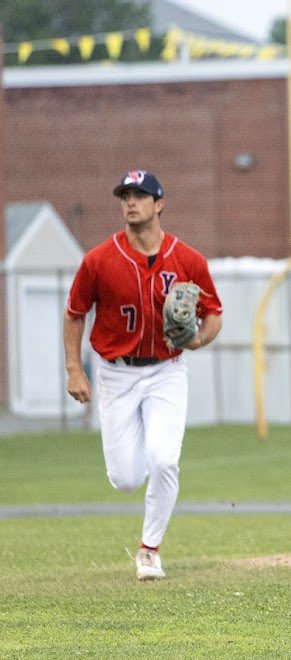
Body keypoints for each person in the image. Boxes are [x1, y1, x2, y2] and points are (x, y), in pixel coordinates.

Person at [64, 170, 223, 581]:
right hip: (115, 374)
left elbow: (214, 313)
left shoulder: (188, 259)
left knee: (164, 458)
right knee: (126, 479)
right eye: (125, 195)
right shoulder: (99, 260)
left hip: (167, 370)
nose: (131, 202)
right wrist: (73, 369)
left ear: (159, 204)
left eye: (140, 195)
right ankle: (143, 482)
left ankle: (149, 551)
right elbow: (75, 314)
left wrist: (199, 340)